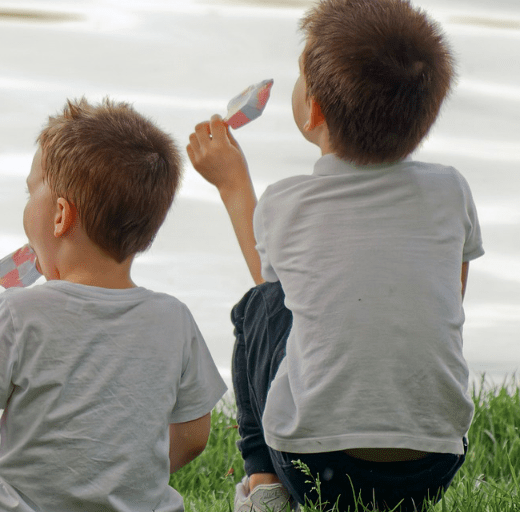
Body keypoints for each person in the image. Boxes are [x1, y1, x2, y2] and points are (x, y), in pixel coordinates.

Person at [186, 0, 482, 510]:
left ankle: (263, 485)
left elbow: (277, 290)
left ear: (314, 109)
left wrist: (233, 184)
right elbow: (451, 299)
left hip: (314, 466)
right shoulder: (451, 191)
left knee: (258, 309)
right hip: (433, 463)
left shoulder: (286, 202)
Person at [0, 98, 228, 511]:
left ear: (60, 215)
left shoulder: (21, 312)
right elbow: (193, 436)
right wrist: (117, 478)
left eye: (30, 191)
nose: (26, 203)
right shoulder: (175, 320)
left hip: (15, 506)